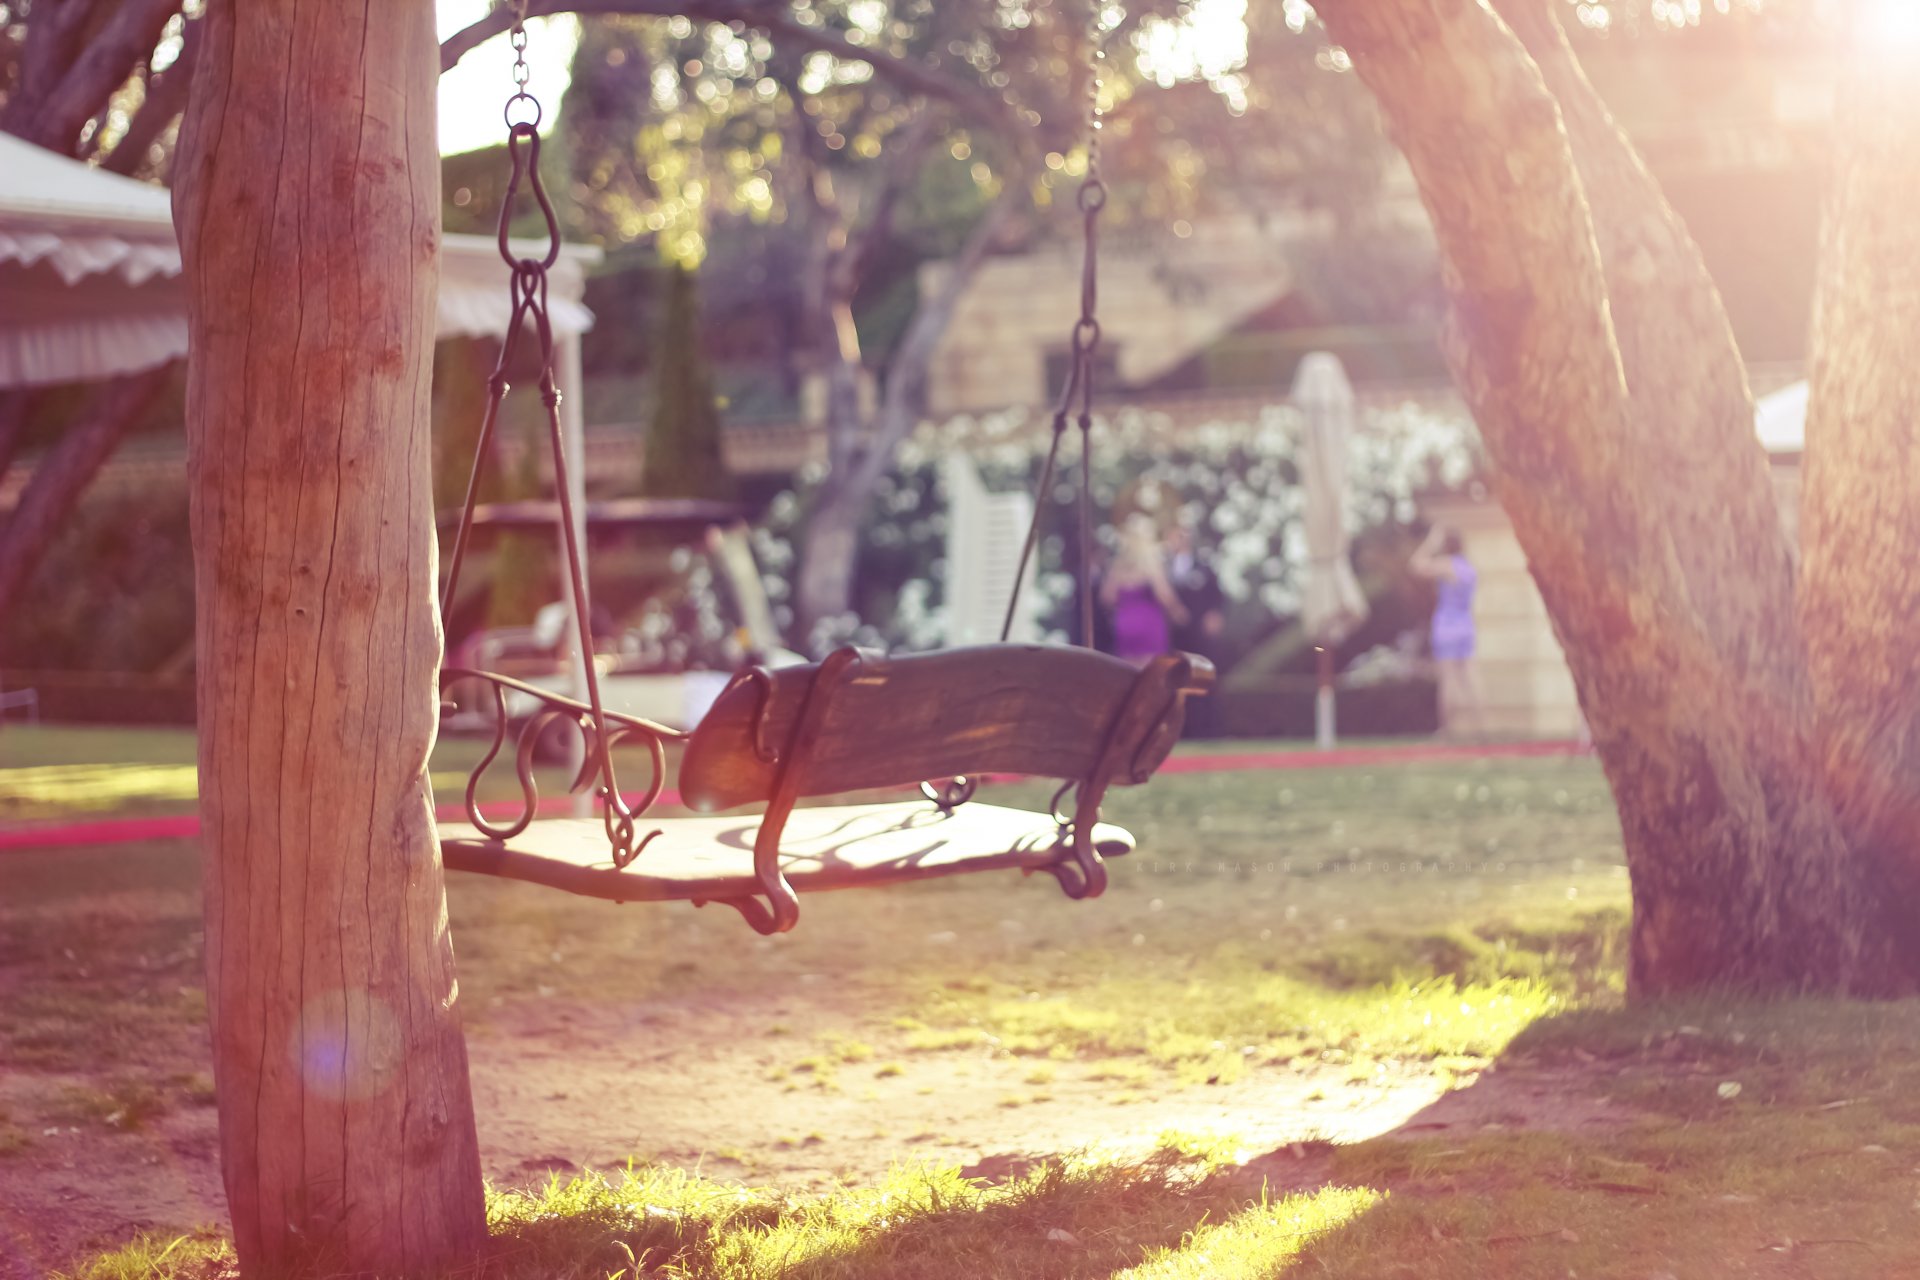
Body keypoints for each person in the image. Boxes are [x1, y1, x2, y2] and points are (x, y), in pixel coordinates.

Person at [1410, 524, 1484, 740]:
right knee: (1471, 676)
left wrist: (1431, 543)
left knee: (1449, 679)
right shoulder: (1470, 569)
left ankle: (1446, 731)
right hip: (1467, 625)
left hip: (1447, 627)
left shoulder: (1446, 565)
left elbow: (1415, 565)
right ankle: (1481, 727)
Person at [1101, 513, 1187, 666]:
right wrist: (1177, 611)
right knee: (1150, 675)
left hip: (1125, 624)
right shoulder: (1151, 564)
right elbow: (1163, 594)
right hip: (1149, 625)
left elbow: (1107, 597)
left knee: (1127, 673)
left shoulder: (1118, 566)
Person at [1166, 523, 1225, 736]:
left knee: (1203, 678)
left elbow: (1217, 596)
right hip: (1174, 635)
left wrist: (1214, 615)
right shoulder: (1164, 568)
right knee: (1177, 679)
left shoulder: (1203, 567)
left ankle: (1208, 728)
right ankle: (1181, 729)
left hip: (1200, 634)